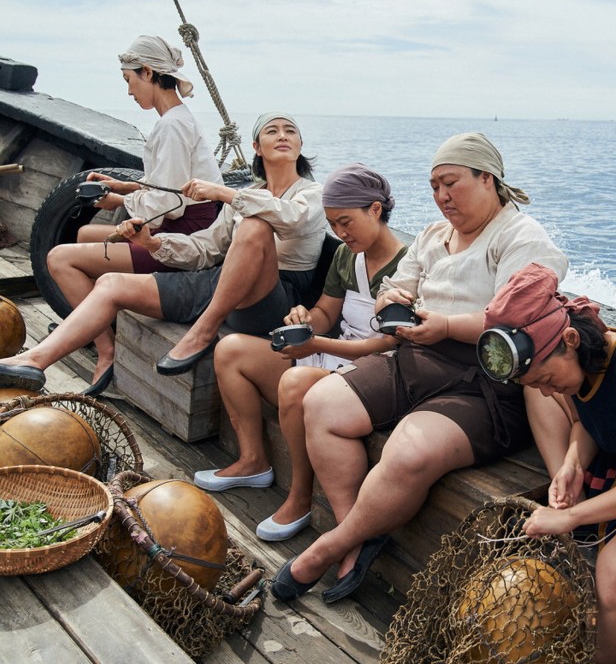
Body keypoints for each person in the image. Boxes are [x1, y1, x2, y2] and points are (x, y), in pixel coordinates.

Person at [269, 132, 568, 604]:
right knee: (322, 403)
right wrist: (393, 298)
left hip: (485, 380)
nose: (441, 196)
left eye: (451, 183)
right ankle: (357, 535)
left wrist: (446, 324)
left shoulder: (522, 237)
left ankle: (331, 545)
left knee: (408, 450)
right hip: (416, 358)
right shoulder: (433, 235)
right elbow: (402, 282)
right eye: (434, 187)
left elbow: (514, 320)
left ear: (486, 179)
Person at [0, 113, 325, 396]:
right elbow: (204, 249)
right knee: (111, 283)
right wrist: (152, 243)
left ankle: (204, 328)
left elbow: (290, 217)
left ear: (300, 144)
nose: (282, 135)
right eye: (272, 130)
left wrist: (225, 193)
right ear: (256, 146)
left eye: (290, 130)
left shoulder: (312, 193)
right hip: (221, 283)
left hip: (272, 300)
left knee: (255, 227)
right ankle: (34, 361)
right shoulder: (250, 194)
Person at [477, 262, 616, 663]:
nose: (549, 393)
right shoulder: (576, 363)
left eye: (548, 380)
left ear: (569, 339)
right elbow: (587, 420)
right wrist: (571, 463)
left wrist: (571, 517)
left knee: (614, 574)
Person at [194, 163, 407, 543]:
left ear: (375, 210)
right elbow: (327, 312)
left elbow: (390, 344)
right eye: (333, 225)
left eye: (347, 222)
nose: (340, 233)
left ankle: (300, 495)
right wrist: (305, 318)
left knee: (294, 383)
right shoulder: (347, 256)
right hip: (333, 353)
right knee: (230, 351)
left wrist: (316, 345)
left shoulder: (409, 265)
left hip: (373, 372)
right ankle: (253, 461)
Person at [45, 35, 222, 394]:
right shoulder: (176, 119)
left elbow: (164, 207)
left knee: (60, 259)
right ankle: (94, 324)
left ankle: (106, 350)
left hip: (179, 238)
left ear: (147, 72)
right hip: (185, 222)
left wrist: (118, 203)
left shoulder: (171, 127)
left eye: (130, 81)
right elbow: (168, 185)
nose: (129, 92)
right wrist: (125, 186)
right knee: (81, 238)